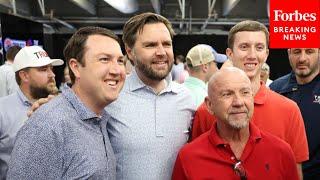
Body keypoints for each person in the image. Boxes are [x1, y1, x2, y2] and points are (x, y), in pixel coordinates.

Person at [191, 20, 308, 179]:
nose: (252, 55)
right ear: (230, 53)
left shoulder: (289, 111)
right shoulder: (206, 112)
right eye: (244, 47)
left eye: (259, 48)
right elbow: (195, 164)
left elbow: (294, 172)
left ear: (266, 53)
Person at [7, 27, 125, 179]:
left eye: (120, 61)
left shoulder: (99, 117)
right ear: (75, 67)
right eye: (104, 59)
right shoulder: (46, 126)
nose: (117, 70)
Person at [105, 12, 195, 179]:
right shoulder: (111, 97)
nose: (161, 52)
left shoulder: (186, 98)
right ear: (130, 52)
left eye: (167, 44)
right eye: (151, 45)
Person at [172, 67, 299, 180]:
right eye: (227, 94)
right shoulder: (189, 158)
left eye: (245, 93)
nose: (238, 102)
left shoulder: (281, 152)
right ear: (210, 105)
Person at [0, 45, 63, 179]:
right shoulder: (2, 111)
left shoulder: (62, 106)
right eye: (44, 69)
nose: (52, 74)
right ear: (24, 75)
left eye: (51, 68)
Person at [270, 48, 320, 179]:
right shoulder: (276, 88)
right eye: (297, 52)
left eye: (309, 52)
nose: (302, 58)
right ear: (289, 53)